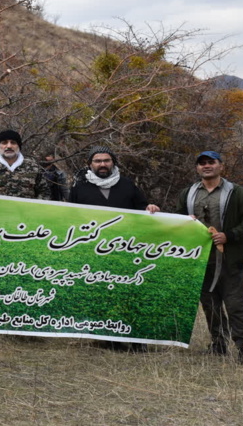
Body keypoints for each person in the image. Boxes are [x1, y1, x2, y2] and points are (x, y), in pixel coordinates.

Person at [70, 146, 159, 352]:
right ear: (89, 164)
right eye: (98, 161)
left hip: (126, 251)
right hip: (94, 252)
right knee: (102, 295)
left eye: (107, 160)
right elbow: (71, 218)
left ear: (113, 163)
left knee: (130, 294)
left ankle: (137, 340)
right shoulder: (79, 187)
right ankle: (109, 339)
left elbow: (143, 209)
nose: (102, 164)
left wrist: (151, 209)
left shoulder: (127, 185)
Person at [175, 151, 243, 367]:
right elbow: (177, 218)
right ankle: (218, 344)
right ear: (197, 168)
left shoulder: (237, 193)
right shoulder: (188, 193)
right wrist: (185, 221)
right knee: (210, 305)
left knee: (235, 305)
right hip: (201, 262)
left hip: (230, 261)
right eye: (202, 163)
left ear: (221, 166)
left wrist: (229, 235)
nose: (206, 166)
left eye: (211, 162)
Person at [0, 129, 48, 199]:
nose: (9, 146)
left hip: (26, 212)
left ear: (18, 146)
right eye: (4, 143)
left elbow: (45, 194)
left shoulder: (34, 168)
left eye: (13, 142)